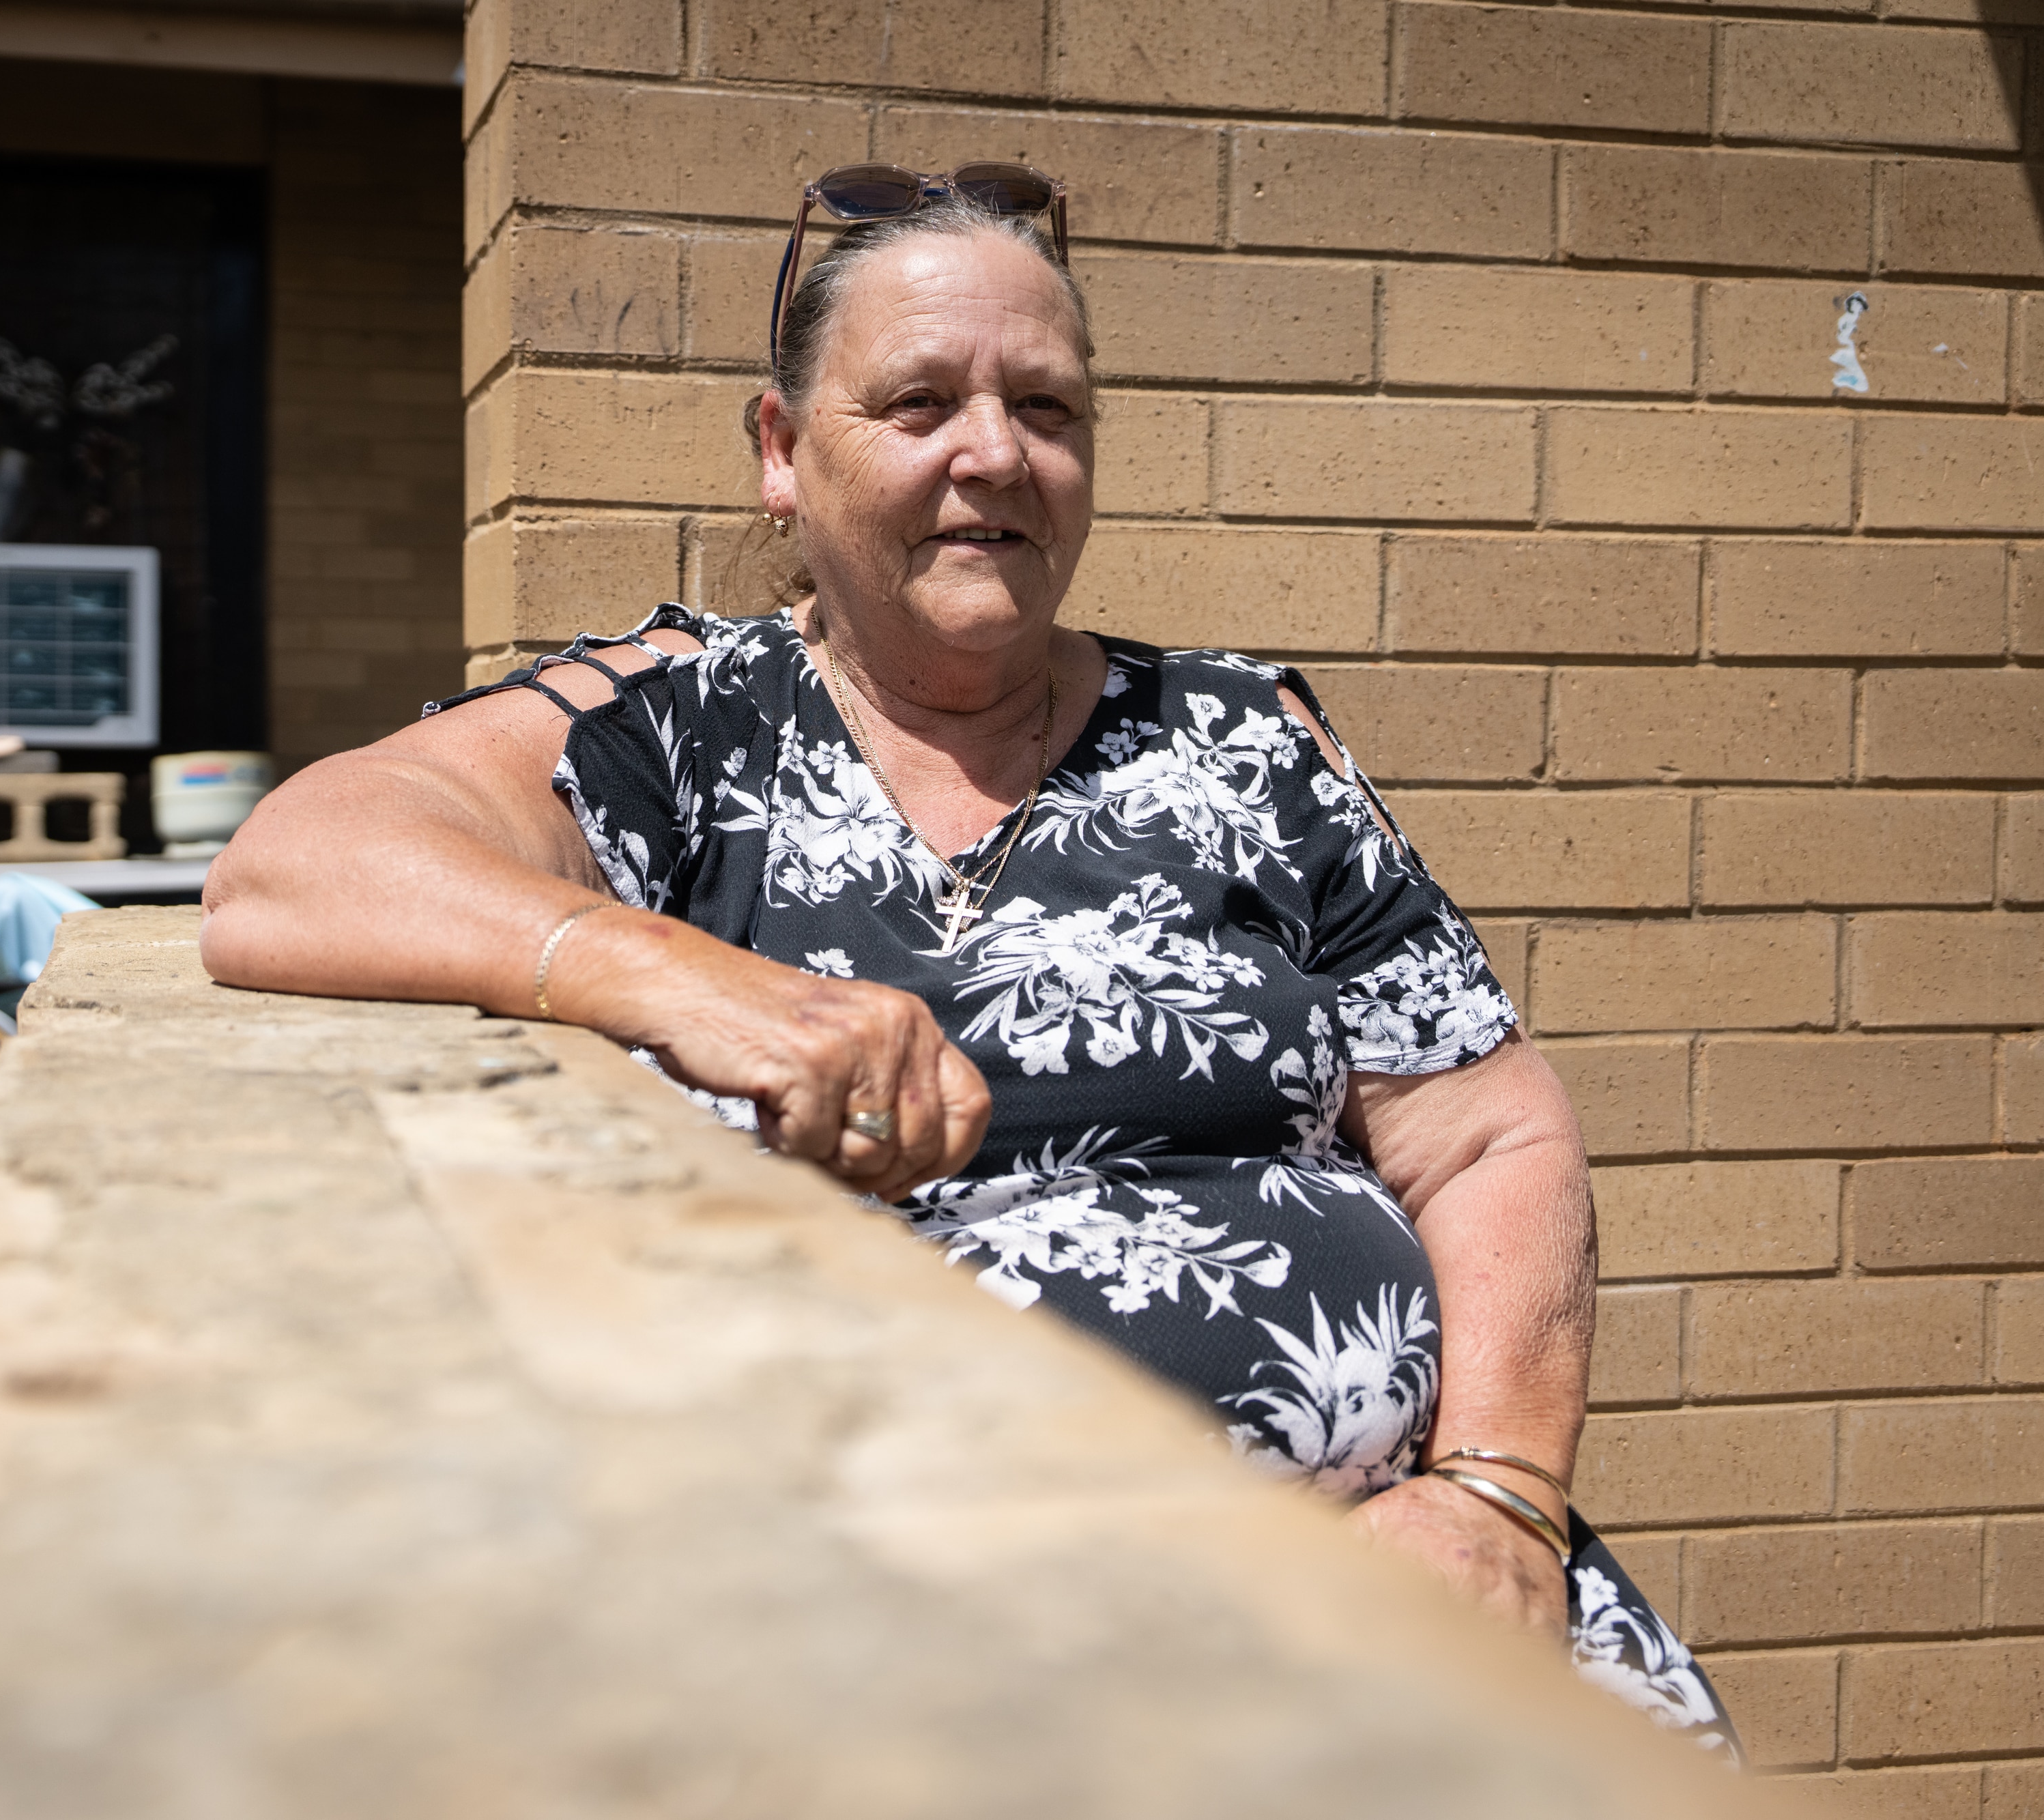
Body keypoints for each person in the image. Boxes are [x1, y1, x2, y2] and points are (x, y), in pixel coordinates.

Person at [201, 164, 1736, 1754]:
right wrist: (677, 975)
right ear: (782, 454)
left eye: (1046, 409)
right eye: (918, 400)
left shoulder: (1239, 743)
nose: (992, 454)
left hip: (1395, 1575)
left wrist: (1494, 1493)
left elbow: (1490, 1131)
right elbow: (287, 870)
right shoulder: (678, 727)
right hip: (913, 1640)